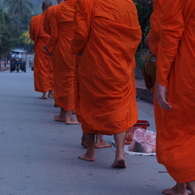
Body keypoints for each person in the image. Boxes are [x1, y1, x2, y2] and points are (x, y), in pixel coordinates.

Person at [71, 0, 141, 167]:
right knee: (119, 105)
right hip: (120, 64)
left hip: (94, 63)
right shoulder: (128, 4)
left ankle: (90, 152)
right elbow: (136, 35)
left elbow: (81, 34)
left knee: (89, 105)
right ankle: (120, 153)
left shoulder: (87, 2)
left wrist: (76, 50)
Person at [150, 0, 195, 194]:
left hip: (186, 69)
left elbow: (169, 34)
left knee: (175, 128)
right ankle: (180, 186)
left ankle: (190, 180)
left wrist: (162, 80)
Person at [44, 0, 79, 125]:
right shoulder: (83, 8)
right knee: (72, 81)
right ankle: (68, 115)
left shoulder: (55, 10)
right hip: (78, 49)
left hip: (62, 50)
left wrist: (48, 47)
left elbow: (53, 34)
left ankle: (64, 114)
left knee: (61, 80)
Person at [29, 0, 54, 99]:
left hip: (41, 46)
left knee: (42, 69)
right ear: (52, 8)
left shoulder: (35, 19)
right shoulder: (55, 18)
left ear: (42, 8)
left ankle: (44, 93)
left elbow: (32, 34)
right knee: (52, 69)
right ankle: (52, 92)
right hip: (53, 46)